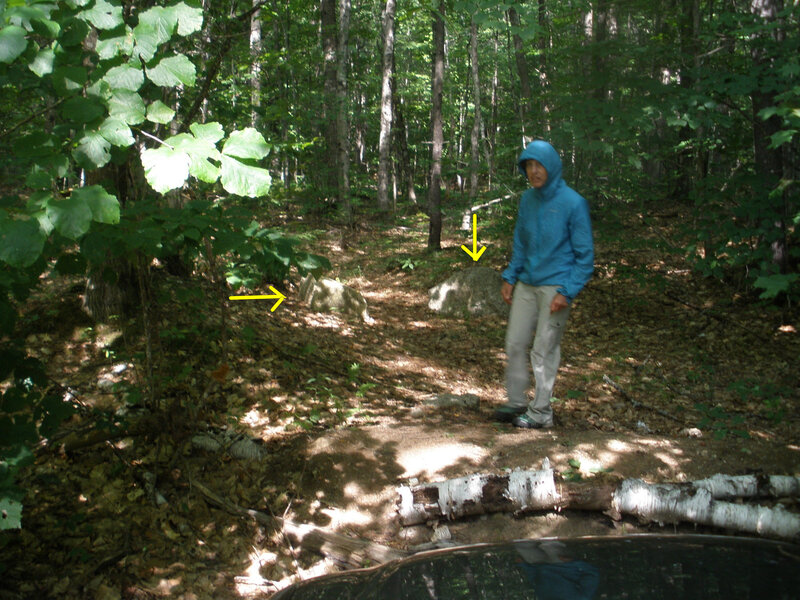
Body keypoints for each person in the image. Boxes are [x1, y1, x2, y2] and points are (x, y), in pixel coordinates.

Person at [494, 140, 594, 429]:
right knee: (514, 343)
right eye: (528, 166)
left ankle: (540, 413)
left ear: (552, 167)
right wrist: (510, 276)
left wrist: (568, 291)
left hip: (557, 287)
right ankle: (516, 402)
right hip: (527, 281)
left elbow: (585, 256)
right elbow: (521, 242)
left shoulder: (573, 203)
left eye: (539, 165)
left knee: (543, 350)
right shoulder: (527, 200)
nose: (534, 172)